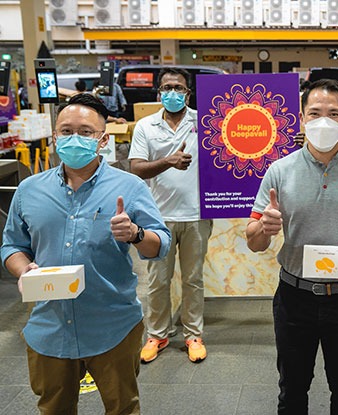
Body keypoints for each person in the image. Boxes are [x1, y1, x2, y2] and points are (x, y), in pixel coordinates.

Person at [0, 93, 171, 414]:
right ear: (54, 137)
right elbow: (12, 246)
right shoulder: (29, 191)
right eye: (66, 131)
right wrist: (24, 270)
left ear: (103, 139)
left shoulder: (130, 187)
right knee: (54, 408)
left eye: (86, 132)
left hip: (113, 327)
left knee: (122, 407)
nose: (74, 138)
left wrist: (135, 233)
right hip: (49, 328)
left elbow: (161, 244)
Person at [246, 78, 338, 414]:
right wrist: (264, 229)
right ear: (301, 117)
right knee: (292, 390)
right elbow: (254, 240)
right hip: (293, 299)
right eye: (314, 113)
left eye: (333, 113)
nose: (323, 121)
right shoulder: (279, 172)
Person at [129, 67, 213, 364]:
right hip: (157, 218)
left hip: (196, 214)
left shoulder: (205, 122)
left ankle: (193, 335)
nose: (173, 93)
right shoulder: (145, 126)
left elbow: (236, 148)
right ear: (158, 93)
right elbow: (136, 167)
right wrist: (167, 161)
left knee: (193, 279)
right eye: (167, 88)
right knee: (157, 281)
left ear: (188, 93)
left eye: (178, 88)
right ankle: (158, 334)